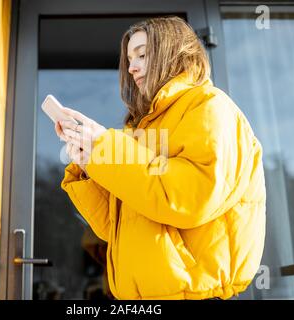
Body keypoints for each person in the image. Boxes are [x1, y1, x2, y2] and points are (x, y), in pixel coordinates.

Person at [55, 16, 266, 300]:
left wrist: (106, 148)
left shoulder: (211, 107)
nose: (131, 67)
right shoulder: (142, 127)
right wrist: (89, 163)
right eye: (129, 58)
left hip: (194, 295)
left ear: (172, 52)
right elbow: (115, 226)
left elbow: (191, 197)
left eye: (142, 54)